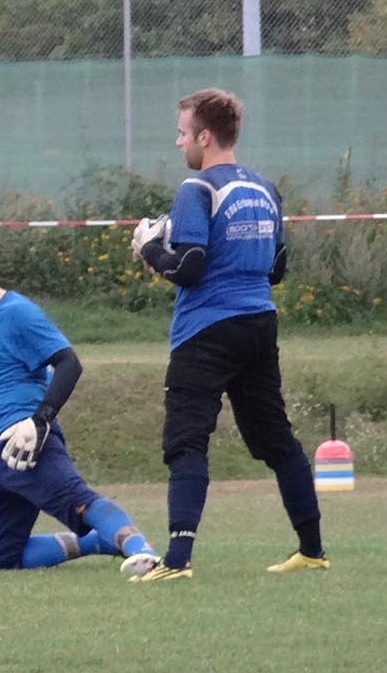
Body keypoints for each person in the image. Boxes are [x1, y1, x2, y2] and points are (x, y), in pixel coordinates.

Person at [128, 87, 327, 581]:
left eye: (182, 133)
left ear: (205, 136)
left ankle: (176, 561)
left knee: (186, 442)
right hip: (260, 324)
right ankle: (312, 549)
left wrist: (152, 249)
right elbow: (277, 269)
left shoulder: (197, 189)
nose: (179, 144)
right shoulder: (264, 189)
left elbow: (191, 268)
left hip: (207, 331)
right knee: (276, 441)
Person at [0, 241, 161, 576]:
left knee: (79, 501)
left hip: (22, 446)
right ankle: (100, 542)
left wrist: (41, 421)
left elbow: (69, 364)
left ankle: (144, 554)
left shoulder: (17, 314)